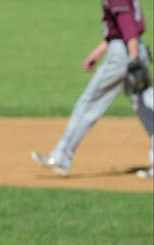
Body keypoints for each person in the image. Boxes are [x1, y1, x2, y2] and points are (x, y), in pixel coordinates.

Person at [31, 1, 154, 179]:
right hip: (133, 49)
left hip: (125, 53)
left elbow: (127, 24)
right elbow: (120, 29)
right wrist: (98, 53)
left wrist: (133, 60)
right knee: (146, 107)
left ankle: (60, 157)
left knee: (89, 102)